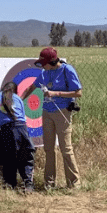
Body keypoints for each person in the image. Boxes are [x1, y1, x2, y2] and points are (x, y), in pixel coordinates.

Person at [22, 47, 82, 189]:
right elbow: (31, 87)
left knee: (65, 148)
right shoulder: (44, 72)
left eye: (45, 63)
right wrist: (20, 99)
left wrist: (55, 93)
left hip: (63, 112)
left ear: (53, 61)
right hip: (47, 112)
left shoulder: (67, 70)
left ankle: (74, 183)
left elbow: (78, 93)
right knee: (48, 148)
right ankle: (49, 183)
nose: (43, 67)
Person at [0, 81, 35, 191]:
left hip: (7, 130)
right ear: (15, 91)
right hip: (22, 129)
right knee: (25, 156)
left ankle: (10, 185)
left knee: (7, 157)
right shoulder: (18, 98)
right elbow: (22, 116)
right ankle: (28, 184)